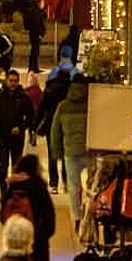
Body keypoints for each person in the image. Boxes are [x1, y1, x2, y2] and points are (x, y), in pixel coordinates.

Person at [2, 154, 56, 261]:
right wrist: (46, 234)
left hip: (15, 236)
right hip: (36, 239)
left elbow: (3, 213)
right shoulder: (38, 185)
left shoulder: (12, 184)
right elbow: (48, 213)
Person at [49, 76, 89, 223]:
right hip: (90, 150)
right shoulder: (90, 104)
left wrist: (56, 151)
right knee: (94, 186)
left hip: (70, 150)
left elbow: (55, 131)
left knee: (73, 186)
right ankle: (92, 214)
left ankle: (78, 217)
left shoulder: (63, 106)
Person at [0, 69, 34, 194]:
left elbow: (30, 117)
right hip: (2, 136)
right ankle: (4, 192)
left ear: (18, 82)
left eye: (15, 81)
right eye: (11, 80)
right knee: (3, 166)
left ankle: (14, 191)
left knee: (16, 166)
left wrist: (21, 127)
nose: (13, 83)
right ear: (7, 81)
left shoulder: (24, 98)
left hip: (17, 138)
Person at [35, 66, 72, 193]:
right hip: (67, 124)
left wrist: (35, 125)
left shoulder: (49, 89)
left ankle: (54, 183)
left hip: (51, 124)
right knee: (67, 154)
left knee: (52, 154)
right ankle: (67, 183)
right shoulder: (70, 90)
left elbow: (41, 108)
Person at [24, 2, 48, 73]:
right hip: (35, 34)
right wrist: (40, 33)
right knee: (35, 51)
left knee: (34, 51)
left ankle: (33, 67)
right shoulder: (36, 12)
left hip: (33, 34)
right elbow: (37, 24)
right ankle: (33, 68)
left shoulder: (34, 11)